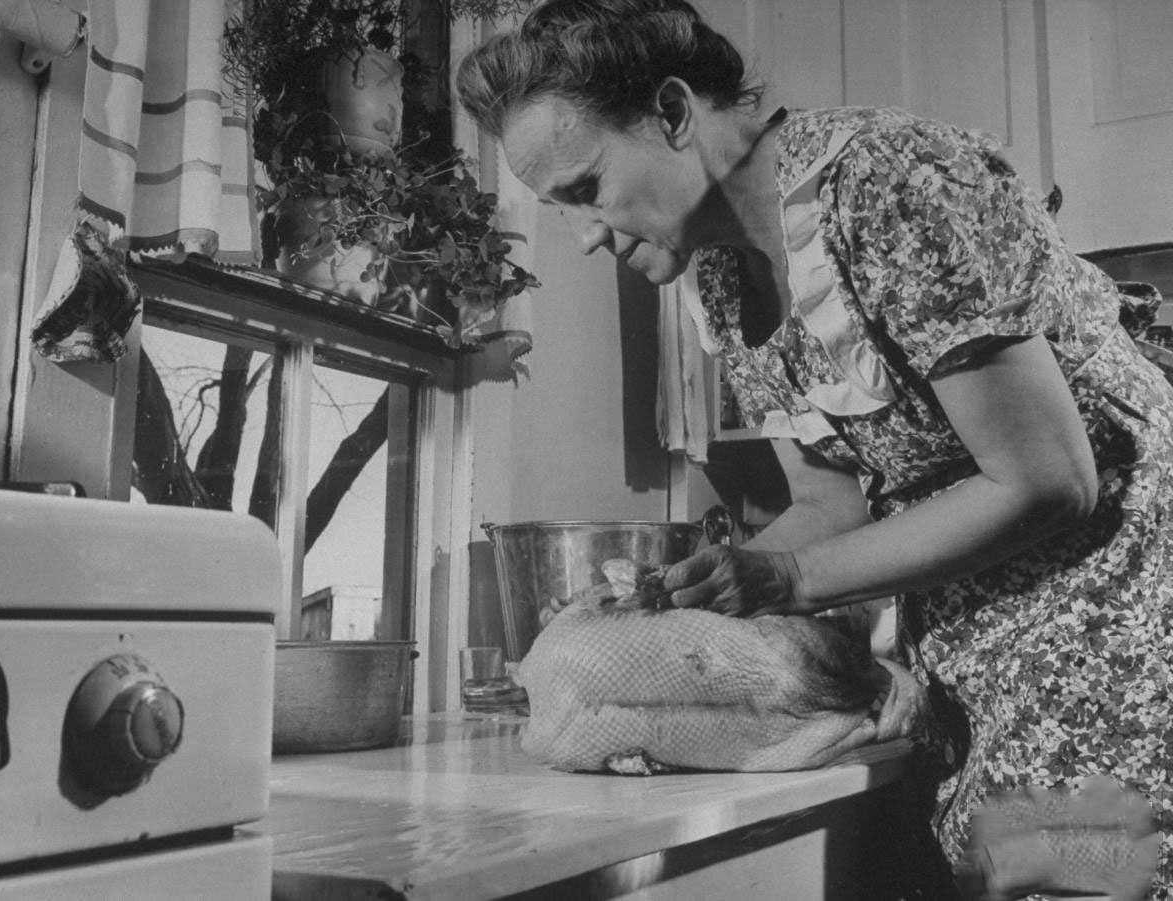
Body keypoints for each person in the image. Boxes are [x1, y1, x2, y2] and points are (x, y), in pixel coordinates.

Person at [456, 1, 1172, 898]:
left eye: (586, 188)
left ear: (674, 113)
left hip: (1121, 623)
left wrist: (786, 580)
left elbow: (1047, 480)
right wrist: (703, 588)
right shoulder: (722, 278)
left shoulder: (889, 184)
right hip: (981, 655)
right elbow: (834, 501)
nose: (587, 235)